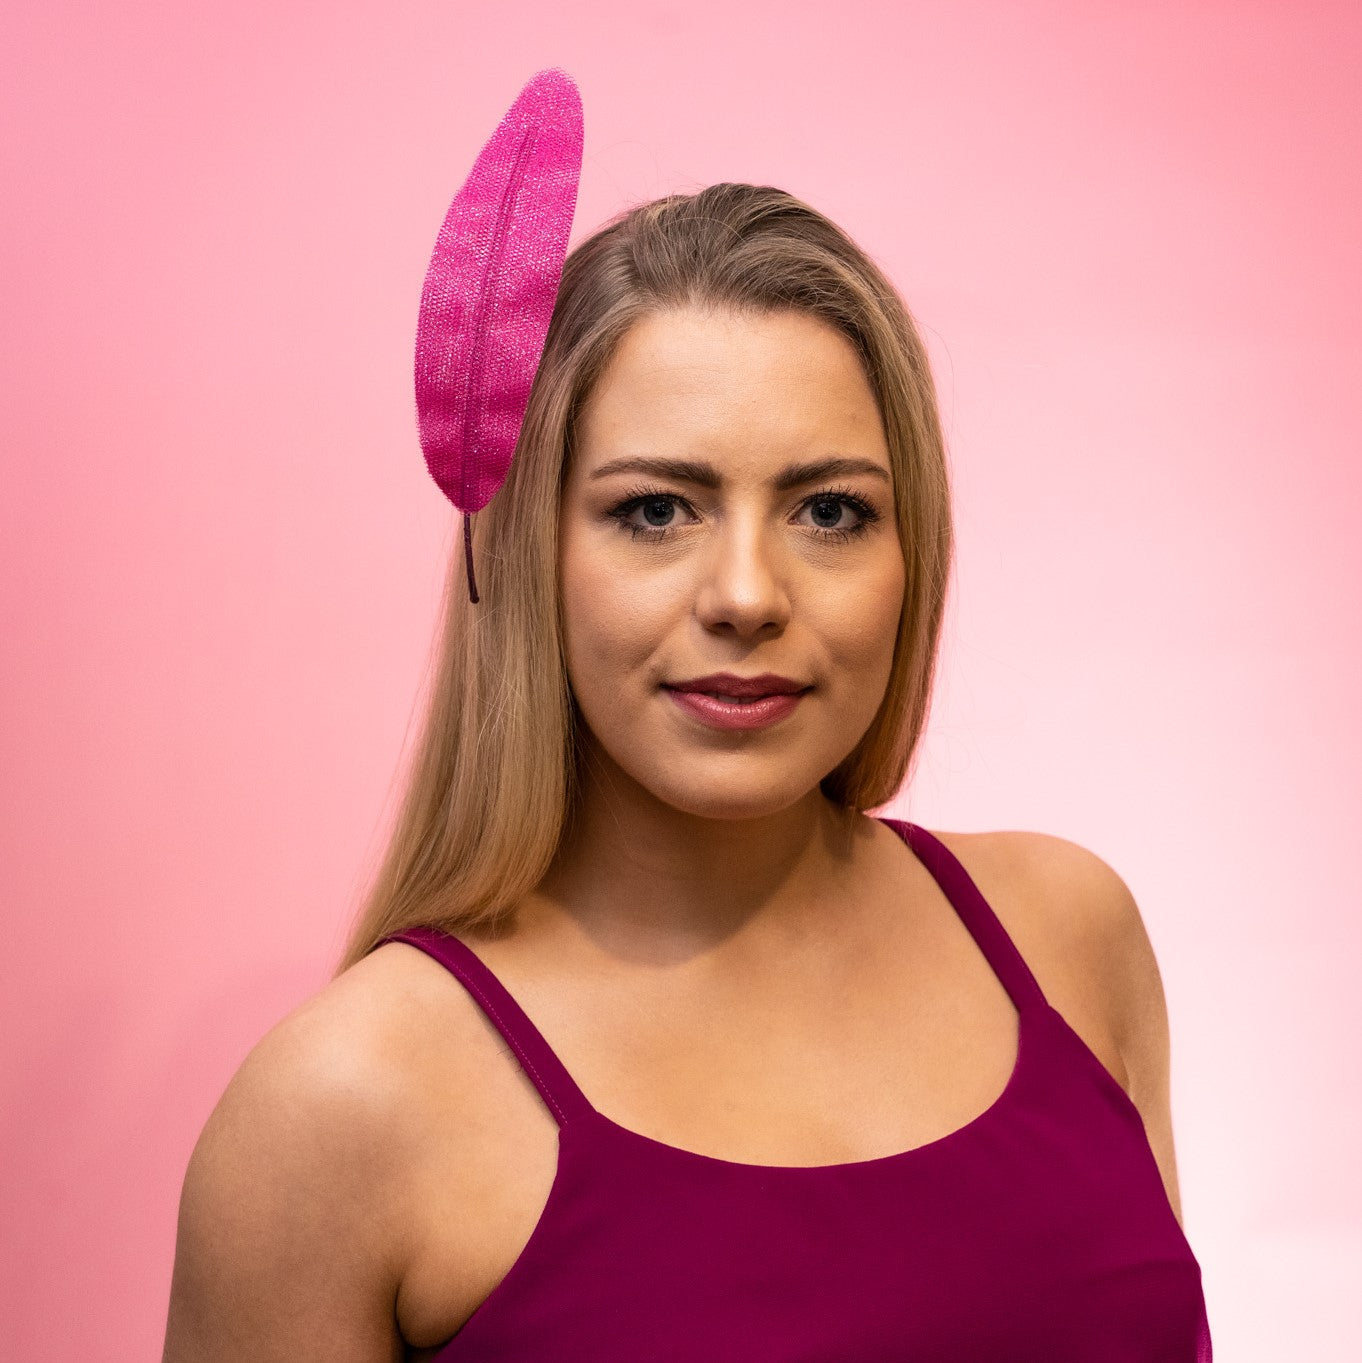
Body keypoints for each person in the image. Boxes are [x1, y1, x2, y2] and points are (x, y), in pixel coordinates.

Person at [162, 182, 1212, 1360]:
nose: (748, 595)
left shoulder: (1071, 935)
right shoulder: (348, 1104)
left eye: (829, 510)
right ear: (527, 552)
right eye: (658, 509)